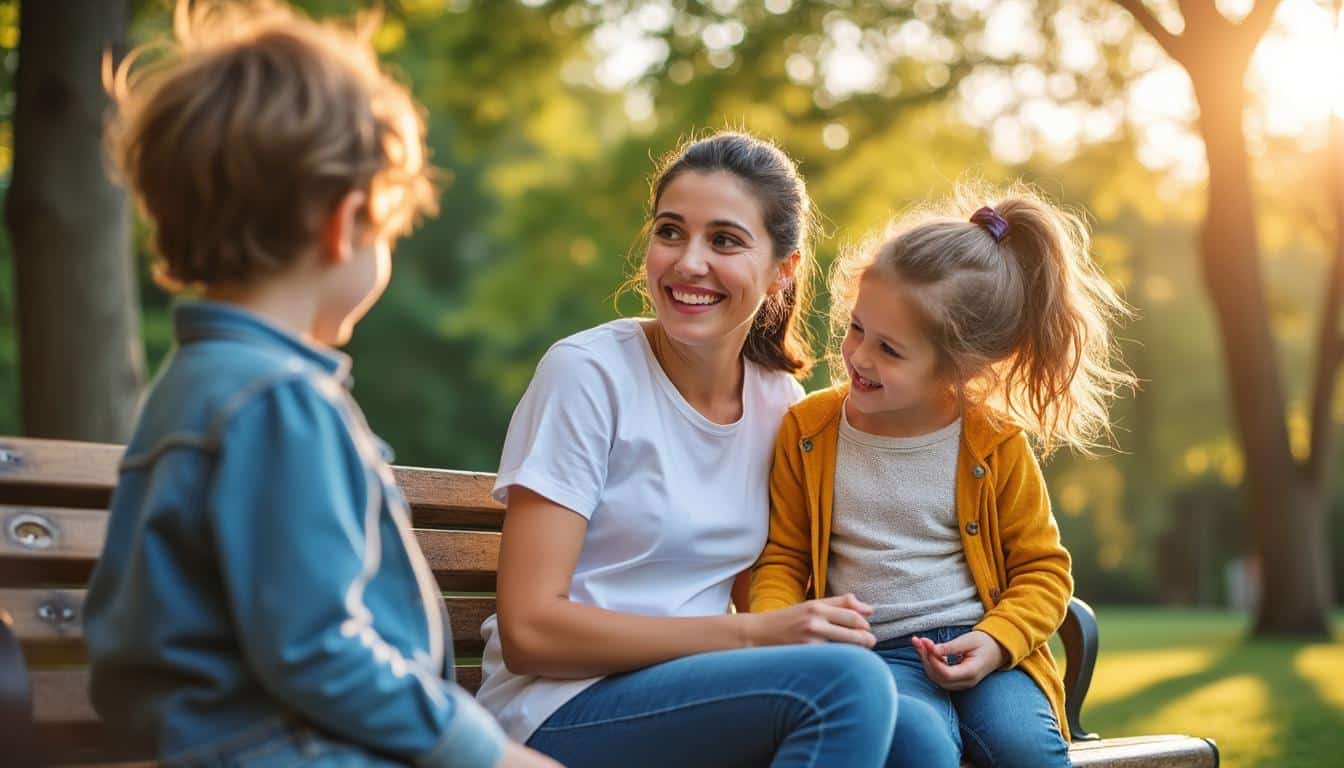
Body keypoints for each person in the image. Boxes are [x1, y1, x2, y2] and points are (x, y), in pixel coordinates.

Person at [83, 3, 554, 766]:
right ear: (346, 223)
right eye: (389, 231)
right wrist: (486, 752)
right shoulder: (279, 402)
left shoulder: (199, 384)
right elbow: (317, 647)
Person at [477, 131, 899, 768]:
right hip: (554, 712)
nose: (688, 262)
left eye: (724, 240)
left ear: (782, 271)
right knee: (846, 689)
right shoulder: (587, 374)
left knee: (914, 730)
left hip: (694, 700)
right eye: (670, 232)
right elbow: (530, 632)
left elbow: (769, 595)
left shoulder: (780, 402)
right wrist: (752, 637)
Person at [752, 183, 1135, 768]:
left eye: (890, 349)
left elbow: (1042, 569)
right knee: (920, 748)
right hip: (872, 657)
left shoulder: (994, 442)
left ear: (959, 366)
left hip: (984, 647)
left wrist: (995, 641)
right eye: (857, 329)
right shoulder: (807, 430)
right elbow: (782, 557)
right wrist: (780, 630)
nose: (858, 356)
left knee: (1025, 750)